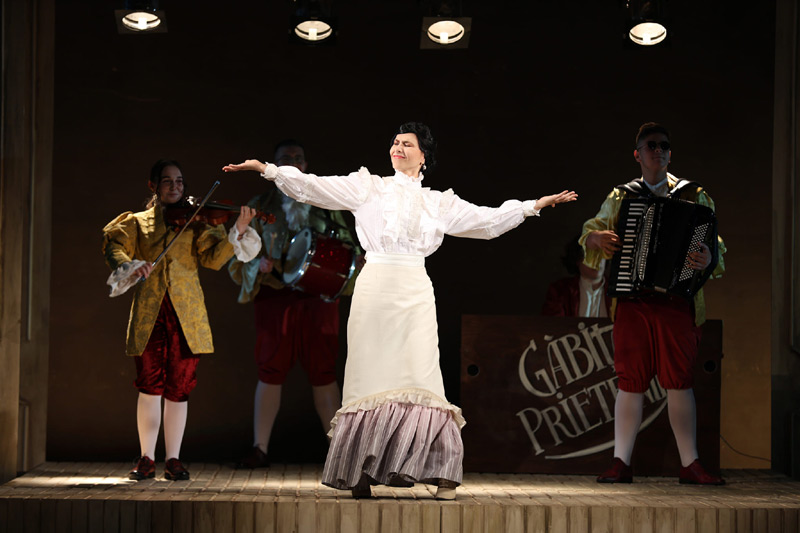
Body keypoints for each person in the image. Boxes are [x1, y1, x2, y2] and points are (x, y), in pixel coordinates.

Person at [222, 122, 577, 500]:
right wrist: (268, 169)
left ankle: (442, 472)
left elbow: (486, 221)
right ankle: (360, 468)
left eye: (407, 144)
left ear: (424, 156)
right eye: (395, 142)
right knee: (368, 377)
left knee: (422, 376)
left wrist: (532, 206)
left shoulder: (438, 202)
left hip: (414, 290)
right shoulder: (369, 187)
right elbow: (315, 187)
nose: (398, 147)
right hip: (374, 288)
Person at [580, 122, 727, 485]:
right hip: (633, 299)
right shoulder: (622, 196)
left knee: (678, 379)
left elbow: (715, 243)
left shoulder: (694, 194)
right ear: (638, 154)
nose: (658, 151)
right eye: (651, 145)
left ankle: (690, 463)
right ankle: (621, 462)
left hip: (677, 299)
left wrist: (708, 258)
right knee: (630, 380)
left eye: (663, 146)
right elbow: (591, 231)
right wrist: (596, 239)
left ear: (670, 153)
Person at [102, 159, 261, 481]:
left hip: (187, 314)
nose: (175, 186)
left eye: (179, 181)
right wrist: (132, 264)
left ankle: (173, 459)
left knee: (180, 386)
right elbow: (113, 246)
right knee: (149, 384)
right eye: (167, 181)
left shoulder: (196, 221)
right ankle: (146, 458)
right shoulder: (137, 223)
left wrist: (239, 231)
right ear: (153, 186)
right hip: (150, 312)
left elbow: (213, 260)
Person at [228, 140, 361, 468]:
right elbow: (239, 252)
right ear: (272, 166)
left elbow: (349, 246)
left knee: (324, 370)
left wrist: (349, 263)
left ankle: (339, 452)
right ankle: (260, 448)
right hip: (275, 297)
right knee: (270, 368)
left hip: (318, 296)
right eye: (285, 159)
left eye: (298, 158)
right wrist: (257, 263)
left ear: (306, 165)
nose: (292, 163)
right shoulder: (260, 205)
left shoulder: (327, 203)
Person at [541, 236, 609, 317]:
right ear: (577, 260)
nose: (597, 261)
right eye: (590, 255)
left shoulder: (618, 292)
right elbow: (553, 323)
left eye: (601, 255)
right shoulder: (560, 290)